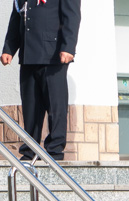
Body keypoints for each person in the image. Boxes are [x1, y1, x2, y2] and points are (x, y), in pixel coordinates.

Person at [1, 0, 81, 161]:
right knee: (31, 108)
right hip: (28, 55)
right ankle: (30, 150)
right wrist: (9, 48)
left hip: (53, 55)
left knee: (55, 106)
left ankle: (55, 151)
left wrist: (68, 47)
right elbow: (17, 18)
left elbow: (72, 16)